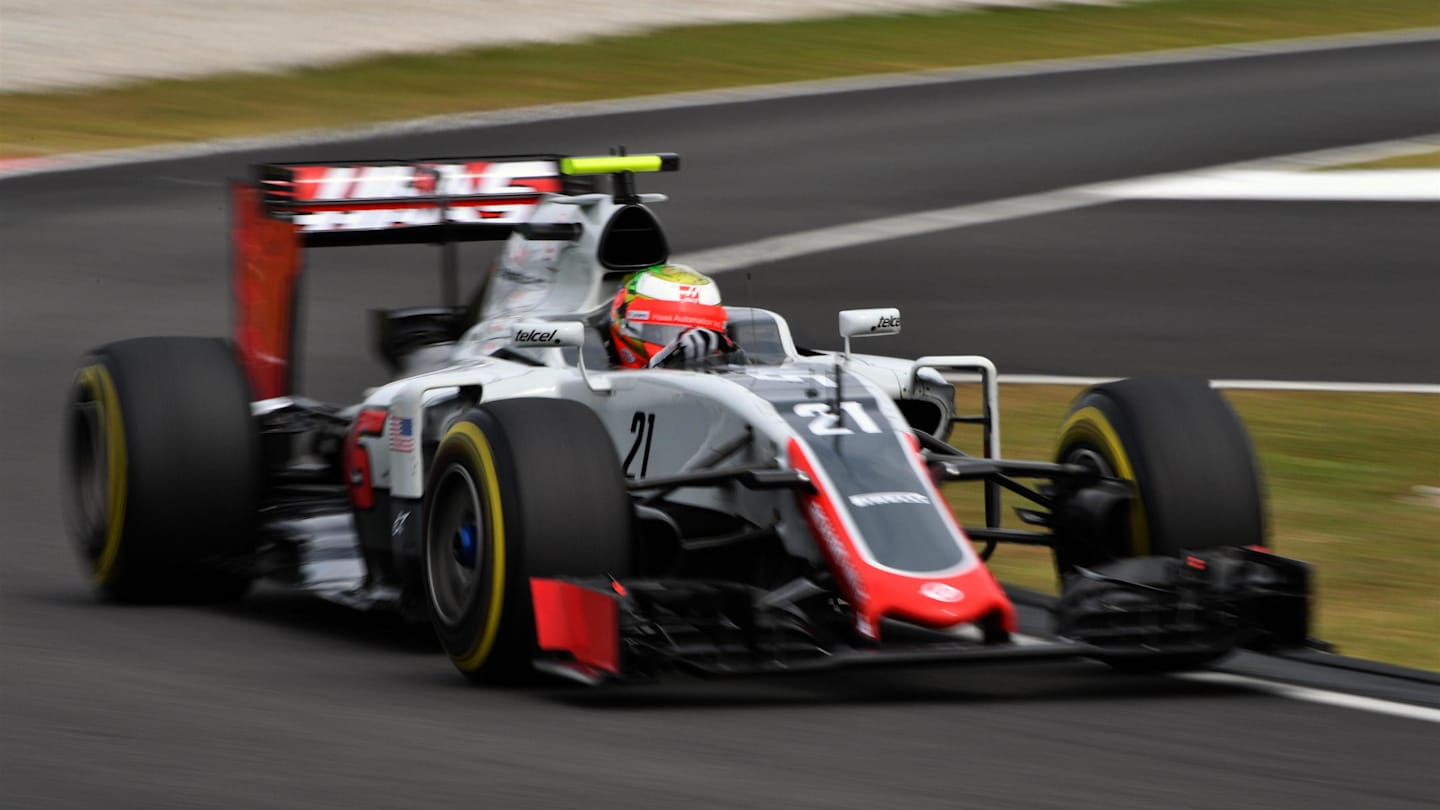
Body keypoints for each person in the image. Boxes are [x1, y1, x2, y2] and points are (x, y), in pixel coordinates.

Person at [609, 264, 735, 368]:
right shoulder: (594, 367)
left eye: (702, 334)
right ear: (624, 321)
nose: (687, 346)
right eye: (664, 332)